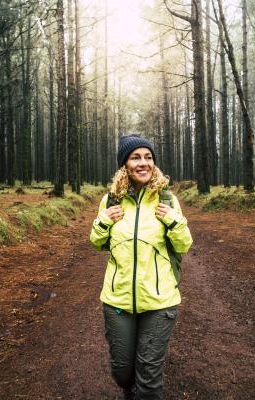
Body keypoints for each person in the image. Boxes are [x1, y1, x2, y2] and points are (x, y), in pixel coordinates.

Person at [90, 134, 193, 400]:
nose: (143, 163)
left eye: (148, 157)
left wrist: (174, 222)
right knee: (123, 374)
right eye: (136, 157)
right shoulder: (111, 200)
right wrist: (103, 222)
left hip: (159, 302)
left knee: (148, 379)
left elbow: (183, 246)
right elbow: (98, 243)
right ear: (125, 164)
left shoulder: (167, 200)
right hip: (118, 300)